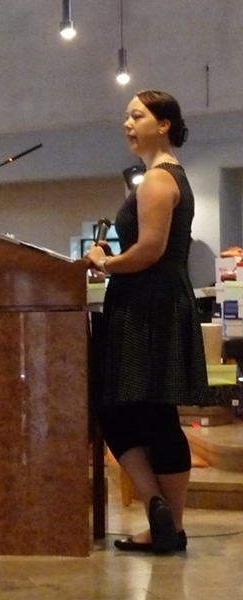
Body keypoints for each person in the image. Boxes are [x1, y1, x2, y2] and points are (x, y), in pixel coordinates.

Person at [85, 90, 213, 555]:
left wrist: (104, 261)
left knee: (151, 412)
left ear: (163, 125)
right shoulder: (159, 176)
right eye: (126, 116)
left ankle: (169, 524)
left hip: (150, 304)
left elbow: (150, 251)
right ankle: (160, 513)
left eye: (137, 115)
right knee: (124, 410)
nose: (127, 123)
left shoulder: (158, 180)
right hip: (146, 301)